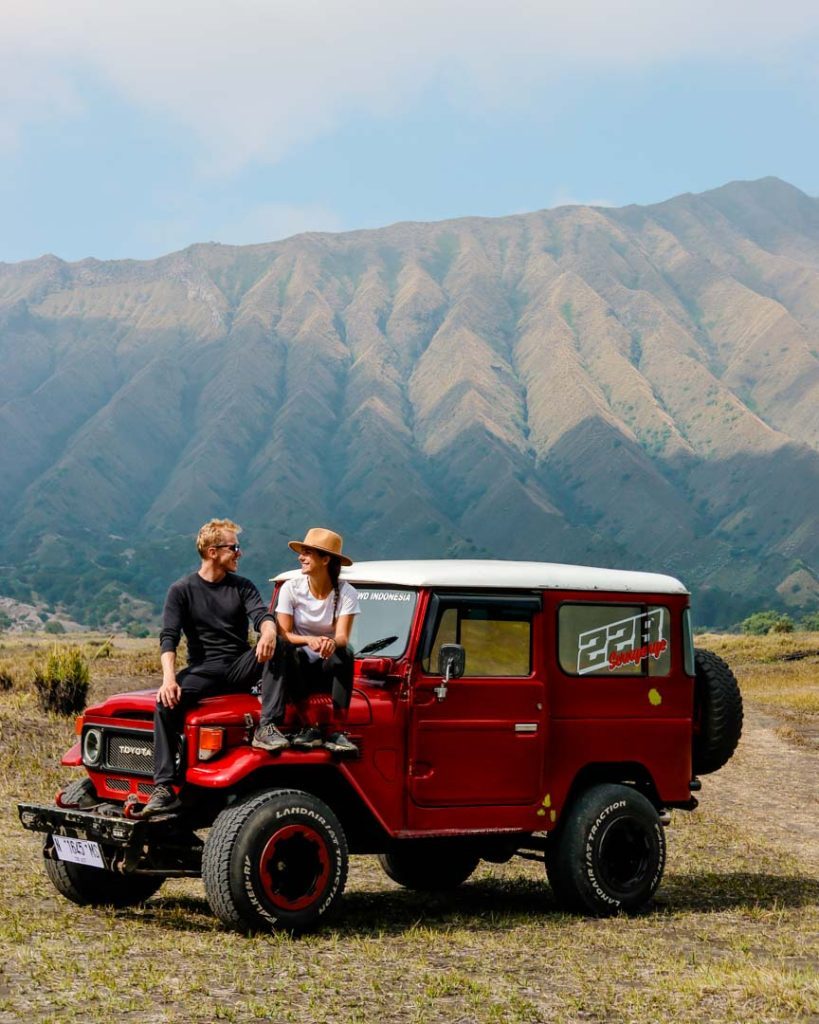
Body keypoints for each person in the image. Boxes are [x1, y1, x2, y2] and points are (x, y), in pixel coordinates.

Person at [141, 518, 281, 817]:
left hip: (241, 665)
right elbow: (169, 638)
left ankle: (267, 726)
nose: (239, 554)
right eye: (235, 548)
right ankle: (164, 786)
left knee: (278, 646)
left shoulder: (242, 587)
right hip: (203, 669)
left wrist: (268, 630)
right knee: (165, 704)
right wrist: (168, 680)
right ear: (213, 551)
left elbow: (261, 615)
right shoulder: (181, 590)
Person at [253, 528, 360, 756]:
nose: (300, 557)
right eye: (302, 552)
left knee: (345, 652)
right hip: (296, 666)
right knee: (286, 648)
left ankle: (338, 729)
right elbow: (284, 634)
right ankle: (308, 724)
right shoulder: (291, 588)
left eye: (307, 553)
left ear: (325, 559)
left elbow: (342, 636)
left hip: (325, 668)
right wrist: (309, 639)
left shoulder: (347, 592)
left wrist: (331, 643)